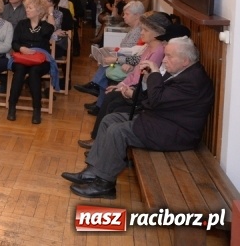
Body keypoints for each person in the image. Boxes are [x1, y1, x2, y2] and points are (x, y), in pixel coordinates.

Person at [63, 37, 214, 199]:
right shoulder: (182, 72)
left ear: (185, 60)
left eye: (169, 56)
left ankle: (105, 184)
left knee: (118, 131)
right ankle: (93, 171)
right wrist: (134, 93)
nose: (164, 60)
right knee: (110, 120)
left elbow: (156, 100)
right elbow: (155, 98)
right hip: (162, 121)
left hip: (176, 133)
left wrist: (155, 72)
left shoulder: (193, 81)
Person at [7, 0, 56, 124]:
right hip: (22, 57)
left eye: (30, 8)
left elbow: (51, 29)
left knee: (34, 72)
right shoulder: (22, 24)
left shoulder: (46, 26)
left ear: (39, 11)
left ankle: (37, 109)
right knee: (19, 70)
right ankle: (12, 107)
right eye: (27, 7)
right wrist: (21, 48)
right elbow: (14, 43)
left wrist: (49, 12)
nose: (27, 10)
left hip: (40, 60)